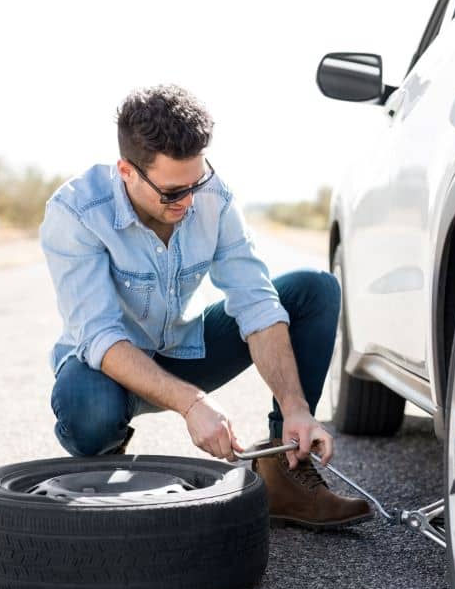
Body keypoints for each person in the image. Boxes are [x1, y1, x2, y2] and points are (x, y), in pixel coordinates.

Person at [39, 84, 372, 529]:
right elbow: (100, 337)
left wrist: (296, 407)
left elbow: (255, 302)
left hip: (186, 347)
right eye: (174, 192)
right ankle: (103, 469)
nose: (190, 201)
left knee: (315, 290)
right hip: (107, 371)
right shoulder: (76, 212)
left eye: (196, 183)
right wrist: (192, 405)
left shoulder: (212, 196)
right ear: (127, 171)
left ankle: (284, 472)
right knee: (89, 408)